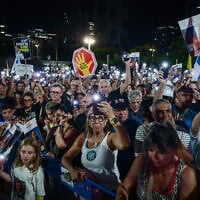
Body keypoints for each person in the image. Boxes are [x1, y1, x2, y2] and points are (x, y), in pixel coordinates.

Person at [62, 100, 130, 198]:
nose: (97, 121)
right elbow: (66, 158)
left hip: (109, 191)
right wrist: (72, 170)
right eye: (93, 118)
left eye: (100, 118)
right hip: (91, 190)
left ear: (106, 121)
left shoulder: (110, 137)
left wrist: (113, 117)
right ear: (89, 122)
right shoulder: (83, 137)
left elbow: (124, 144)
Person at [135, 121, 197, 200]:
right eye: (151, 150)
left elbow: (190, 159)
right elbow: (126, 186)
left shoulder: (186, 175)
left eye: (160, 151)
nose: (155, 156)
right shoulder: (143, 164)